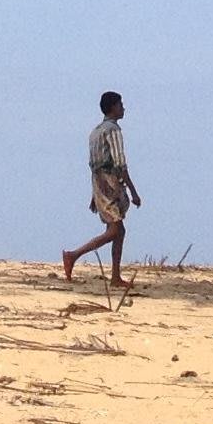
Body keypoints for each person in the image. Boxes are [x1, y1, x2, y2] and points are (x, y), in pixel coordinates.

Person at [61, 90, 140, 285]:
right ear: (113, 107)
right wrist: (133, 190)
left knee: (119, 230)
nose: (123, 108)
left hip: (99, 182)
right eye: (120, 104)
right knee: (114, 230)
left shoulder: (95, 131)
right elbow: (120, 163)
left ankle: (115, 276)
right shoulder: (112, 130)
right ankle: (74, 255)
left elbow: (94, 164)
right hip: (110, 182)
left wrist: (95, 193)